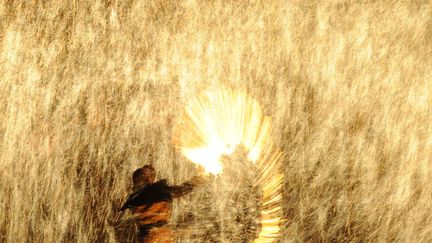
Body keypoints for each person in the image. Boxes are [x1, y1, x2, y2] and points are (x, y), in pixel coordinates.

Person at [120, 165, 207, 243]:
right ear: (148, 179)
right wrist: (196, 181)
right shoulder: (156, 190)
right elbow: (179, 190)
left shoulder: (133, 199)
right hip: (159, 236)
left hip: (145, 237)